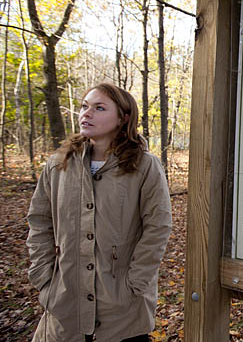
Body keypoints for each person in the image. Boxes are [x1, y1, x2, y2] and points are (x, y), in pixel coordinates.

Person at [27, 83, 172, 342]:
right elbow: (39, 222)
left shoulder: (144, 166)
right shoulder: (58, 165)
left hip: (123, 311)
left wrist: (133, 285)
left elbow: (158, 228)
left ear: (123, 118)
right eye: (84, 106)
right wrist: (43, 277)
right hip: (64, 304)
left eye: (99, 108)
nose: (86, 113)